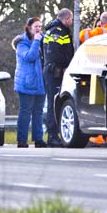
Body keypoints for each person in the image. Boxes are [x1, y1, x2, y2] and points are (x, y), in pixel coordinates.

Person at [42, 8, 74, 147]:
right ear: (66, 18)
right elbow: (55, 53)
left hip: (54, 70)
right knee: (53, 104)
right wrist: (65, 65)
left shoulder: (55, 30)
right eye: (71, 19)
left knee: (54, 103)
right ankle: (52, 136)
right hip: (54, 71)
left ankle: (55, 135)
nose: (72, 22)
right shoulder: (57, 32)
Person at [14, 17, 47, 148]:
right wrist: (37, 42)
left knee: (38, 112)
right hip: (26, 83)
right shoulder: (22, 43)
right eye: (36, 26)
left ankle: (38, 139)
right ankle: (22, 140)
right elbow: (30, 57)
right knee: (25, 111)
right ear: (29, 28)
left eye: (40, 26)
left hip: (40, 82)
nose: (39, 29)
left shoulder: (43, 41)